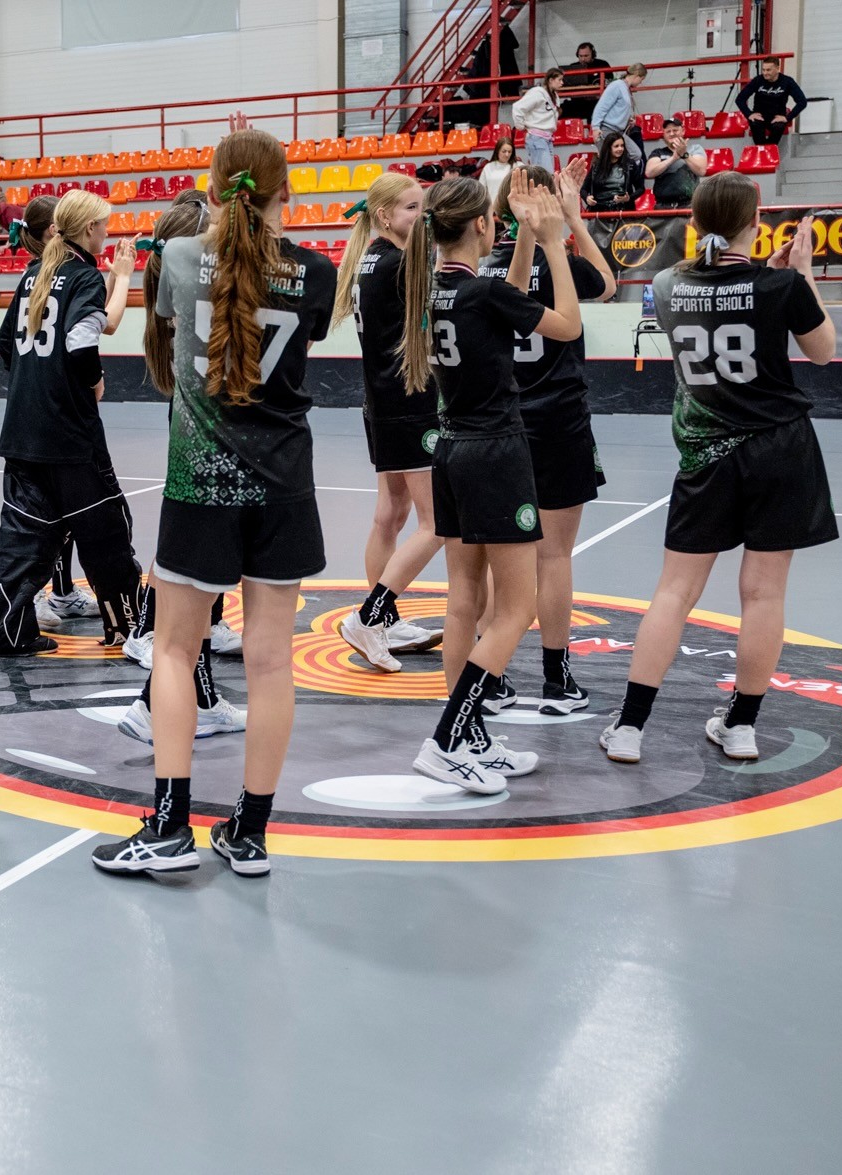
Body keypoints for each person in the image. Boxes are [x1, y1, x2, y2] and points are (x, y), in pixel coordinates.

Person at [92, 128, 337, 879]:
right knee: (271, 662)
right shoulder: (317, 272)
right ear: (283, 192)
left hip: (199, 485)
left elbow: (171, 330)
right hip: (284, 485)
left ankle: (170, 826)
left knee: (174, 649)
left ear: (213, 188)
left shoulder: (176, 257)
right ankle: (251, 832)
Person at [601, 172, 836, 764]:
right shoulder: (781, 285)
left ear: (695, 222)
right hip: (781, 450)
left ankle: (630, 728)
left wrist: (767, 276)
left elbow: (719, 291)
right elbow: (823, 351)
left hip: (707, 454)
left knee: (674, 591)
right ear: (756, 222)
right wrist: (799, 273)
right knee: (763, 594)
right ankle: (742, 726)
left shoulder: (666, 283)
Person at [402, 173, 583, 794]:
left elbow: (504, 300)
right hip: (496, 454)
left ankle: (471, 737)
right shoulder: (483, 293)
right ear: (482, 225)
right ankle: (447, 739)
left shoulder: (435, 288)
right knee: (516, 609)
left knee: (463, 600)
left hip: (451, 449)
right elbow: (567, 325)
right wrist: (553, 240)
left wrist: (526, 238)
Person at [481, 164, 617, 714]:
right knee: (554, 556)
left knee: (502, 557)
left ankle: (490, 676)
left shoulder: (486, 271)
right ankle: (557, 680)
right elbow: (607, 283)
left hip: (502, 421)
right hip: (559, 418)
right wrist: (573, 222)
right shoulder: (560, 265)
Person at [0, 190, 144, 655]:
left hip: (22, 430)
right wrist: (93, 381)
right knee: (106, 528)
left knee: (23, 536)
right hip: (70, 434)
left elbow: (5, 344)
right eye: (104, 225)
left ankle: (10, 632)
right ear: (89, 229)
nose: (107, 232)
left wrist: (36, 382)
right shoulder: (82, 276)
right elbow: (80, 341)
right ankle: (128, 628)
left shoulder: (34, 273)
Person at [117, 201, 248, 743]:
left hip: (198, 423)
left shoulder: (179, 291)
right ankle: (165, 693)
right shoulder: (205, 290)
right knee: (199, 568)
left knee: (195, 564)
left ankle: (178, 684)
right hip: (210, 428)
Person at [332, 173, 445, 671]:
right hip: (408, 403)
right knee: (436, 522)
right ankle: (370, 617)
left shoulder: (368, 258)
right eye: (412, 209)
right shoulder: (398, 264)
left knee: (390, 516)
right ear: (384, 215)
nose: (422, 218)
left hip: (379, 402)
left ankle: (386, 621)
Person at [736, 57, 808, 147]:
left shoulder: (787, 82)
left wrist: (787, 118)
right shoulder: (757, 80)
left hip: (777, 117)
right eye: (763, 70)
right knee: (755, 125)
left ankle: (769, 150)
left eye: (768, 70)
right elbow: (740, 99)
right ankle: (762, 150)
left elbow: (802, 102)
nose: (765, 73)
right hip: (759, 117)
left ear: (777, 68)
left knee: (778, 128)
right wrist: (749, 114)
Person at [644, 118, 709, 209]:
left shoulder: (695, 149)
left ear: (683, 131)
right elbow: (649, 173)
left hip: (690, 205)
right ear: (664, 135)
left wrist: (684, 155)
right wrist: (673, 158)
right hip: (663, 206)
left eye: (675, 130)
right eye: (668, 131)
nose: (672, 134)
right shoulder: (657, 152)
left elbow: (701, 171)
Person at [591, 63, 647, 161]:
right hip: (607, 130)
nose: (640, 82)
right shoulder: (617, 86)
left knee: (635, 154)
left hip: (618, 131)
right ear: (637, 76)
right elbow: (601, 107)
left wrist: (628, 120)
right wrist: (595, 127)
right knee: (610, 159)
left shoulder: (625, 88)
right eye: (641, 79)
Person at [512, 68, 565, 170]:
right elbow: (517, 107)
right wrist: (520, 126)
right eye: (559, 80)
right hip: (536, 138)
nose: (562, 83)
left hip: (547, 138)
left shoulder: (555, 96)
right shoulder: (537, 93)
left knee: (547, 173)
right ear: (551, 80)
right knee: (543, 173)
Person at [584, 132, 641, 214]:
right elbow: (584, 189)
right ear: (608, 148)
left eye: (622, 146)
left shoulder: (630, 165)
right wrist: (587, 198)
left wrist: (629, 198)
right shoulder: (597, 166)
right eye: (616, 146)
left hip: (623, 211)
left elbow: (640, 188)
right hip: (599, 212)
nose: (620, 149)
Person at [559, 44, 608, 123]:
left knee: (596, 111)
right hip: (578, 102)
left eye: (586, 56)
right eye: (580, 56)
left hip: (596, 101)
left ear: (593, 54)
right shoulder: (573, 67)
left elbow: (610, 82)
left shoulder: (603, 64)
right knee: (561, 110)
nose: (583, 59)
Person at [478, 137, 518, 208]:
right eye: (504, 151)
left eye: (509, 152)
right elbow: (481, 190)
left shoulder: (518, 166)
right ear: (497, 151)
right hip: (492, 208)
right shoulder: (488, 167)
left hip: (511, 209)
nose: (507, 155)